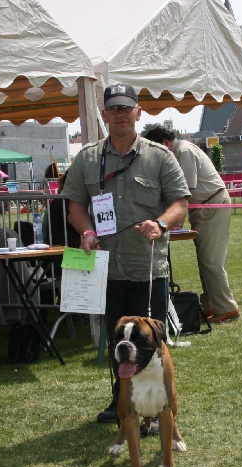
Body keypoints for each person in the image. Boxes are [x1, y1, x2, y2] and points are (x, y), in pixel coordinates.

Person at [61, 83, 190, 424]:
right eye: (113, 109)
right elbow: (74, 205)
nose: (120, 114)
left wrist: (161, 224)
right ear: (104, 114)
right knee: (116, 339)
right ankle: (120, 402)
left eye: (126, 108)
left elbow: (180, 203)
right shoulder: (87, 158)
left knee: (152, 344)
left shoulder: (160, 157)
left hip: (148, 267)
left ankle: (155, 410)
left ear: (138, 112)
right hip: (108, 268)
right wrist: (86, 231)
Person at [144, 127, 239, 323]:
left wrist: (174, 218)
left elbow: (184, 191)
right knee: (206, 260)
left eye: (155, 147)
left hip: (212, 205)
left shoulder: (184, 152)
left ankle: (227, 307)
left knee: (211, 261)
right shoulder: (178, 153)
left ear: (165, 142)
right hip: (205, 208)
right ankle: (211, 305)